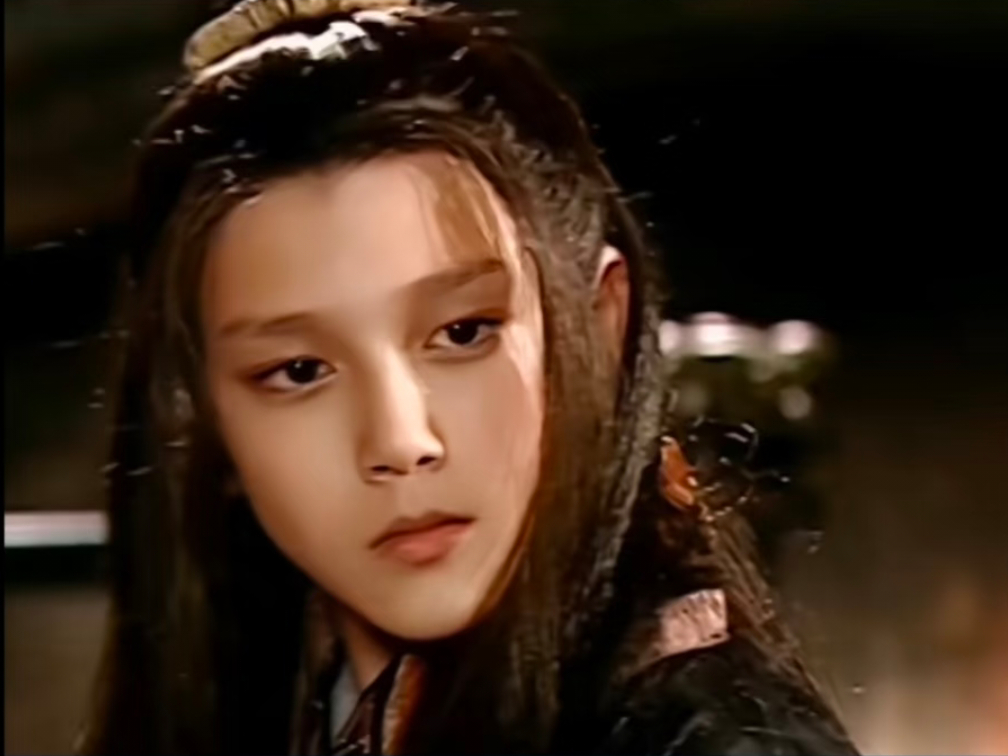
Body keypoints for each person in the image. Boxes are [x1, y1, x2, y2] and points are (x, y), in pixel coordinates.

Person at [80, 1, 858, 753]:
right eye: (300, 371)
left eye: (463, 333)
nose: (400, 441)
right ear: (200, 416)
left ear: (600, 325)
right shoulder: (269, 702)